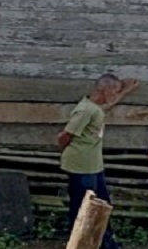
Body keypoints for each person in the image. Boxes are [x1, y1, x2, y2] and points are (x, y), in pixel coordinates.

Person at [57, 73, 139, 249]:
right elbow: (64, 136)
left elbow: (109, 103)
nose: (115, 95)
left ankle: (105, 243)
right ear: (105, 90)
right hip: (81, 166)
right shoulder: (85, 110)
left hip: (93, 165)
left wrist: (125, 89)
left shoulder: (96, 107)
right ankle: (80, 243)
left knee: (102, 204)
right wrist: (71, 152)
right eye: (114, 91)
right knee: (83, 207)